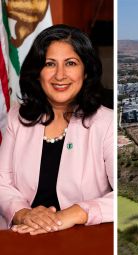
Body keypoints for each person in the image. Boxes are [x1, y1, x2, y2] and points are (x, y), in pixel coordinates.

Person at [0, 24, 113, 235]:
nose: (60, 75)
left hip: (82, 239)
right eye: (50, 64)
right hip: (25, 235)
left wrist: (75, 213)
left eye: (70, 63)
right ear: (37, 73)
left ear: (86, 71)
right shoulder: (18, 116)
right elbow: (1, 182)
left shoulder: (106, 123)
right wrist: (23, 213)